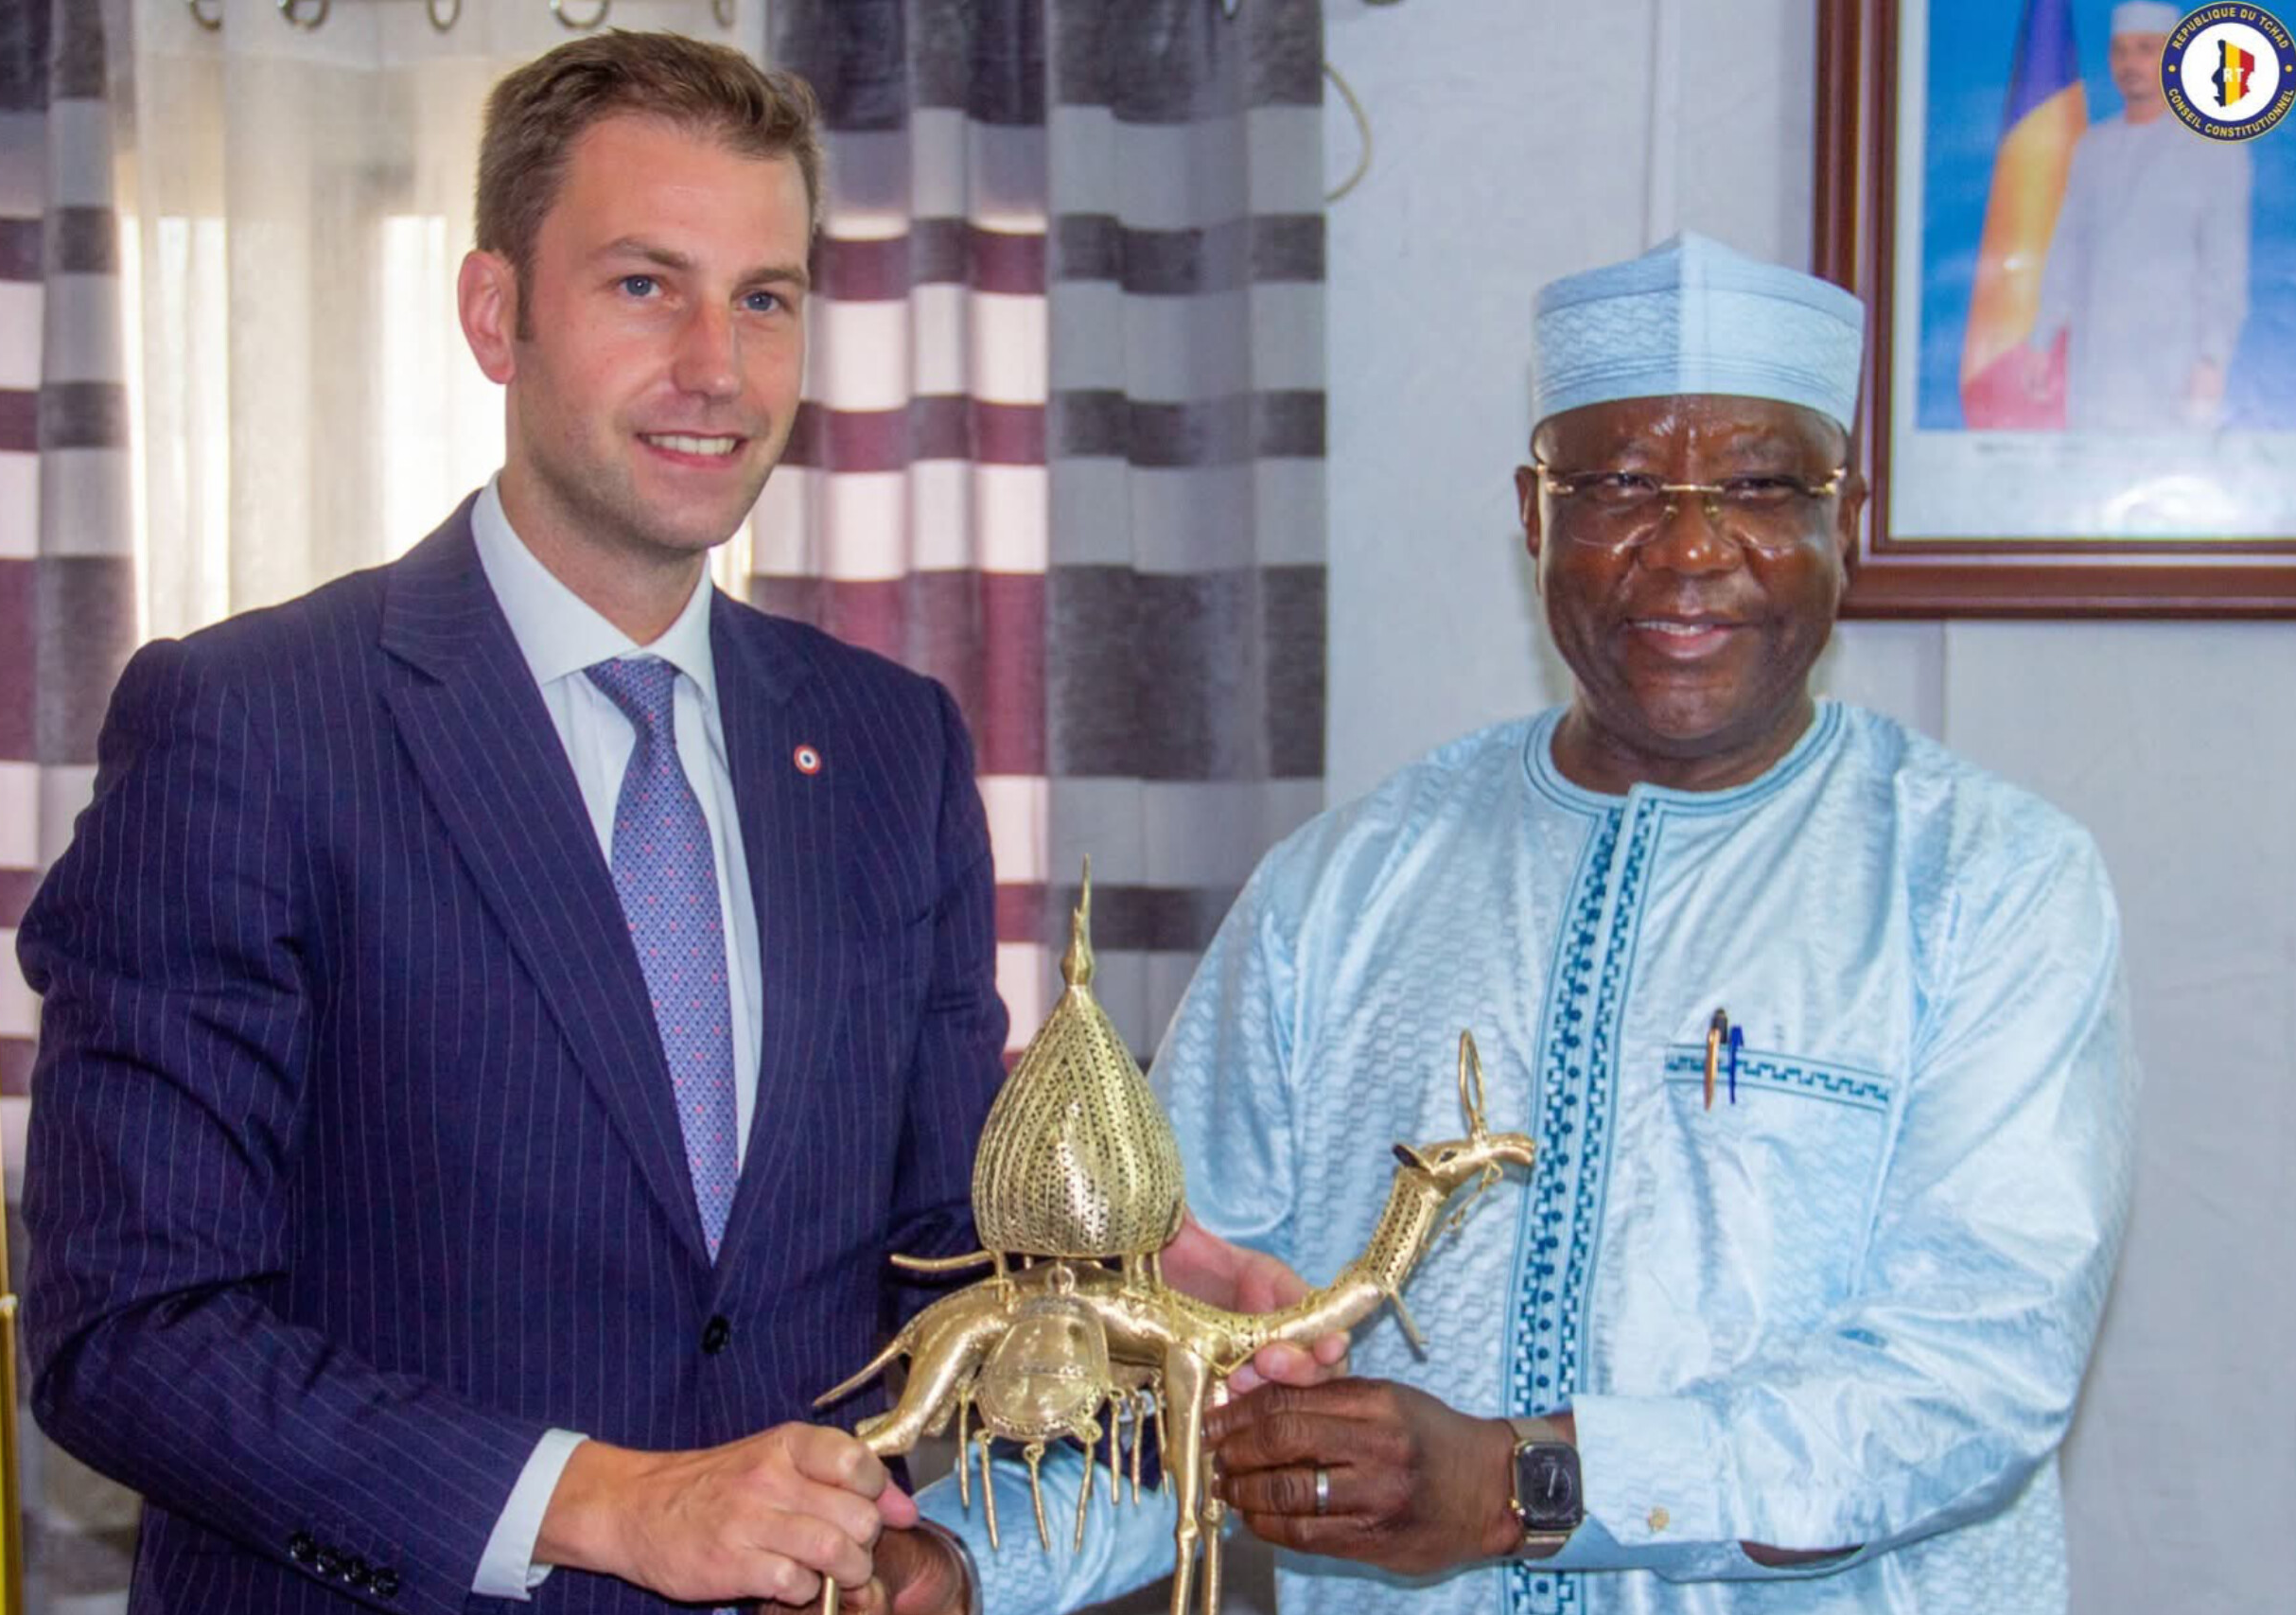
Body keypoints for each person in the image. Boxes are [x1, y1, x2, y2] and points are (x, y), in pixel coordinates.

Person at [886, 234, 2136, 1614]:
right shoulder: (1345, 890)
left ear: (1848, 514)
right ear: (1535, 515)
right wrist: (960, 1558)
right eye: (1616, 485)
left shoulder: (1986, 880)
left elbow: (1971, 1373)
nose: (1692, 545)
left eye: (1761, 485)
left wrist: (1518, 1480)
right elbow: (1181, 1341)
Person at [16, 30, 1008, 1615]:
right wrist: (605, 1503)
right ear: (495, 314)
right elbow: (127, 1327)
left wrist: (1118, 1284)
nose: (717, 366)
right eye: (643, 286)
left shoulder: (892, 746)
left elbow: (940, 1244)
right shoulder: (252, 721)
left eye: (765, 297)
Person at [2026, 1, 2253, 431]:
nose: (2131, 63)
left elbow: (2225, 267)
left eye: (2147, 49)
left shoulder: (2216, 150)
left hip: (2174, 364)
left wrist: (2211, 359)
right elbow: (2069, 246)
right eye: (2121, 51)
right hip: (2097, 362)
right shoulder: (2094, 148)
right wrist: (2042, 338)